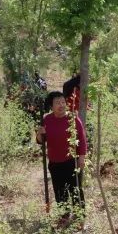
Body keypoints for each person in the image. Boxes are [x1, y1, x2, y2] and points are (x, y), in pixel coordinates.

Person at [37, 90, 88, 223]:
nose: (61, 105)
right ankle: (64, 216)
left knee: (75, 189)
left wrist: (82, 157)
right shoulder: (47, 119)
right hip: (55, 162)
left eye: (63, 102)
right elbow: (40, 141)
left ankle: (79, 216)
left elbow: (82, 140)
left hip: (72, 161)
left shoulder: (73, 119)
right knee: (59, 191)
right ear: (51, 106)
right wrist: (39, 133)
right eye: (57, 103)